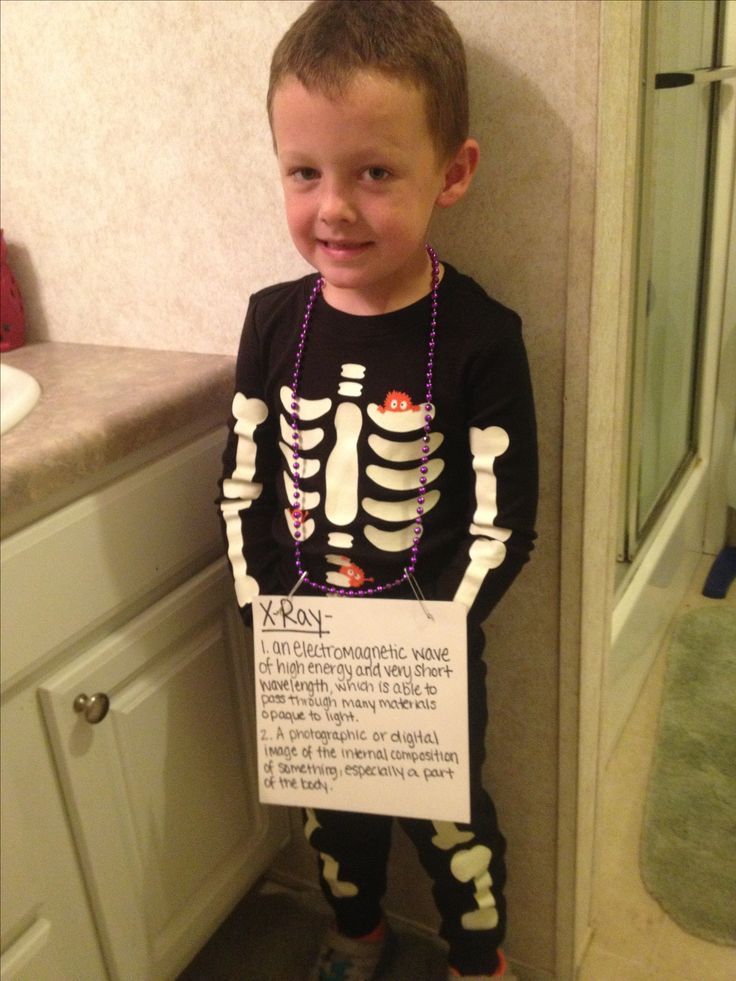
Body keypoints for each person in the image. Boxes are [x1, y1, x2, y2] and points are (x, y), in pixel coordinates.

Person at [218, 2, 538, 978]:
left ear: (453, 172)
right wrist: (265, 606)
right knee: (332, 819)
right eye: (304, 172)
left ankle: (477, 957)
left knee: (448, 818)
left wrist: (432, 634)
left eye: (375, 172)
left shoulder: (480, 334)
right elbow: (244, 481)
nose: (334, 209)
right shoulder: (273, 322)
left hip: (426, 646)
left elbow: (502, 519)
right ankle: (355, 931)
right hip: (308, 637)